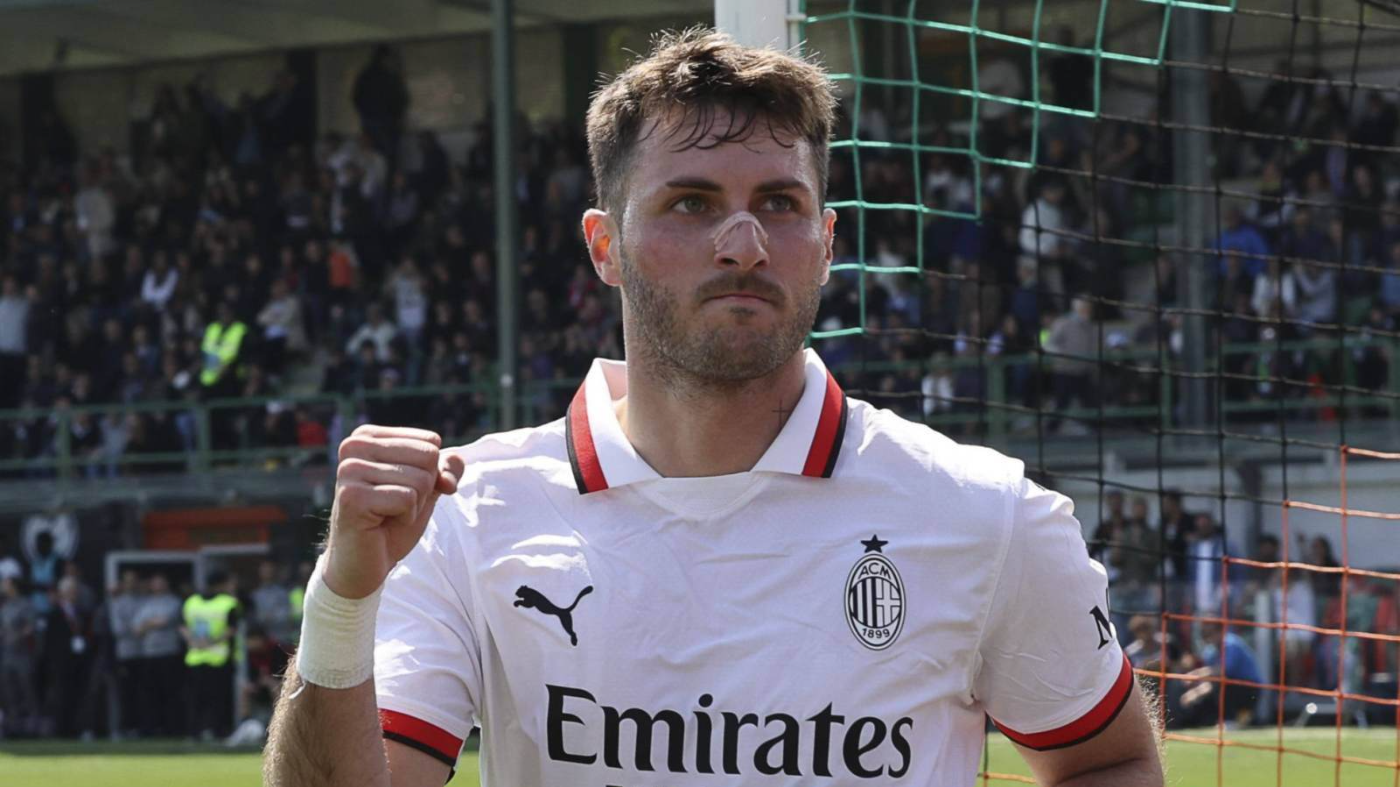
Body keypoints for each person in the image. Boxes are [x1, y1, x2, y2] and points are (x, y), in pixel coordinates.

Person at [264, 30, 1163, 787]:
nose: (743, 242)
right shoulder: (466, 513)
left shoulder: (985, 514)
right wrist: (343, 599)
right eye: (691, 203)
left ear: (826, 244)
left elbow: (1109, 762)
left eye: (779, 203)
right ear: (604, 245)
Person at [182, 570, 240, 741]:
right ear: (222, 584)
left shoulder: (191, 602)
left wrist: (193, 641)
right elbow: (232, 629)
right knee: (218, 698)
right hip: (219, 658)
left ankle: (195, 732)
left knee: (196, 698)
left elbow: (182, 626)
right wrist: (211, 642)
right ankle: (218, 731)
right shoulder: (229, 603)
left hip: (195, 656)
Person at [132, 573, 184, 737]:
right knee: (149, 694)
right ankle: (151, 728)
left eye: (160, 582)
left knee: (170, 692)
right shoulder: (145, 603)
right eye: (155, 583)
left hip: (168, 653)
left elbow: (164, 621)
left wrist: (147, 623)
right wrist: (150, 623)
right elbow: (136, 628)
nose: (157, 586)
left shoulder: (174, 602)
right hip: (149, 654)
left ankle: (172, 728)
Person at [107, 569, 144, 738]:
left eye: (134, 580)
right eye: (128, 581)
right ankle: (124, 727)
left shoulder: (144, 600)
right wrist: (139, 629)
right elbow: (118, 630)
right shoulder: (118, 603)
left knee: (142, 693)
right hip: (126, 654)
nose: (131, 584)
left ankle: (141, 727)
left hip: (144, 653)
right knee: (125, 693)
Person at [0, 576, 39, 737]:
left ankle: (33, 727)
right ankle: (13, 727)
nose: (2, 586)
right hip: (6, 654)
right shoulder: (4, 606)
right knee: (9, 692)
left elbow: (31, 626)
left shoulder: (25, 605)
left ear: (13, 586)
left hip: (22, 654)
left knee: (27, 690)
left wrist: (19, 635)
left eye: (5, 584)